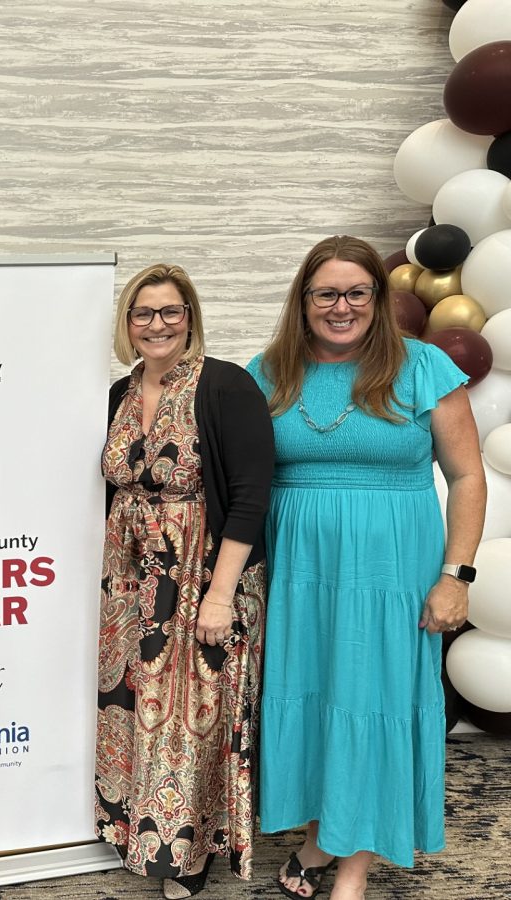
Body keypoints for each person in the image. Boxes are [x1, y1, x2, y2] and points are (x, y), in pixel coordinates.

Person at [247, 235, 485, 899]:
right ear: (303, 301)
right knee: (318, 694)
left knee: (374, 698)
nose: (341, 306)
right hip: (298, 571)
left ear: (379, 301)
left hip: (391, 569)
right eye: (326, 293)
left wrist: (455, 575)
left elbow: (468, 477)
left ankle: (352, 862)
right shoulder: (269, 371)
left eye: (357, 292)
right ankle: (325, 832)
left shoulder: (424, 368)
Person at [96, 264, 274, 899]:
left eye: (171, 311)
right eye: (144, 313)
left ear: (191, 317)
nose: (157, 324)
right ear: (128, 324)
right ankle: (135, 830)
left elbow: (252, 497)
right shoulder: (120, 391)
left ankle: (189, 854)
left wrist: (220, 595)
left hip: (202, 572)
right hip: (129, 576)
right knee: (134, 706)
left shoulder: (226, 386)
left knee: (192, 713)